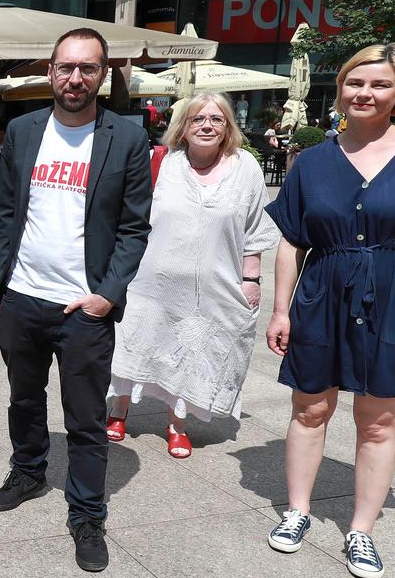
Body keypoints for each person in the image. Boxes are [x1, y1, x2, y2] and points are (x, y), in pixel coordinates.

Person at [265, 43, 395, 578]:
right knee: (309, 409)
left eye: (380, 84)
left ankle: (361, 529)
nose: (365, 93)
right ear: (341, 90)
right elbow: (291, 242)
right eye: (355, 83)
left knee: (379, 420)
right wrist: (280, 310)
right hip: (322, 297)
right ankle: (297, 510)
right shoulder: (312, 161)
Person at [0, 28, 153, 574]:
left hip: (84, 307)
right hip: (23, 296)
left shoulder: (126, 139)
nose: (75, 78)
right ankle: (29, 471)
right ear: (51, 71)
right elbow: (7, 210)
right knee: (23, 398)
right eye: (66, 67)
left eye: (87, 68)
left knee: (84, 418)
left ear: (103, 74)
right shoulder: (23, 130)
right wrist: (0, 282)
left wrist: (107, 295)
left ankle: (86, 514)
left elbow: (134, 228)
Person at [105, 92, 280, 456]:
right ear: (182, 127)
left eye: (216, 119)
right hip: (150, 281)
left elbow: (255, 228)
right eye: (197, 119)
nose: (207, 126)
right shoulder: (163, 162)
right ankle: (118, 409)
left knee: (193, 353)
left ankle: (177, 424)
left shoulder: (245, 166)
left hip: (212, 286)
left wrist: (251, 279)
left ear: (228, 127)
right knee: (135, 341)